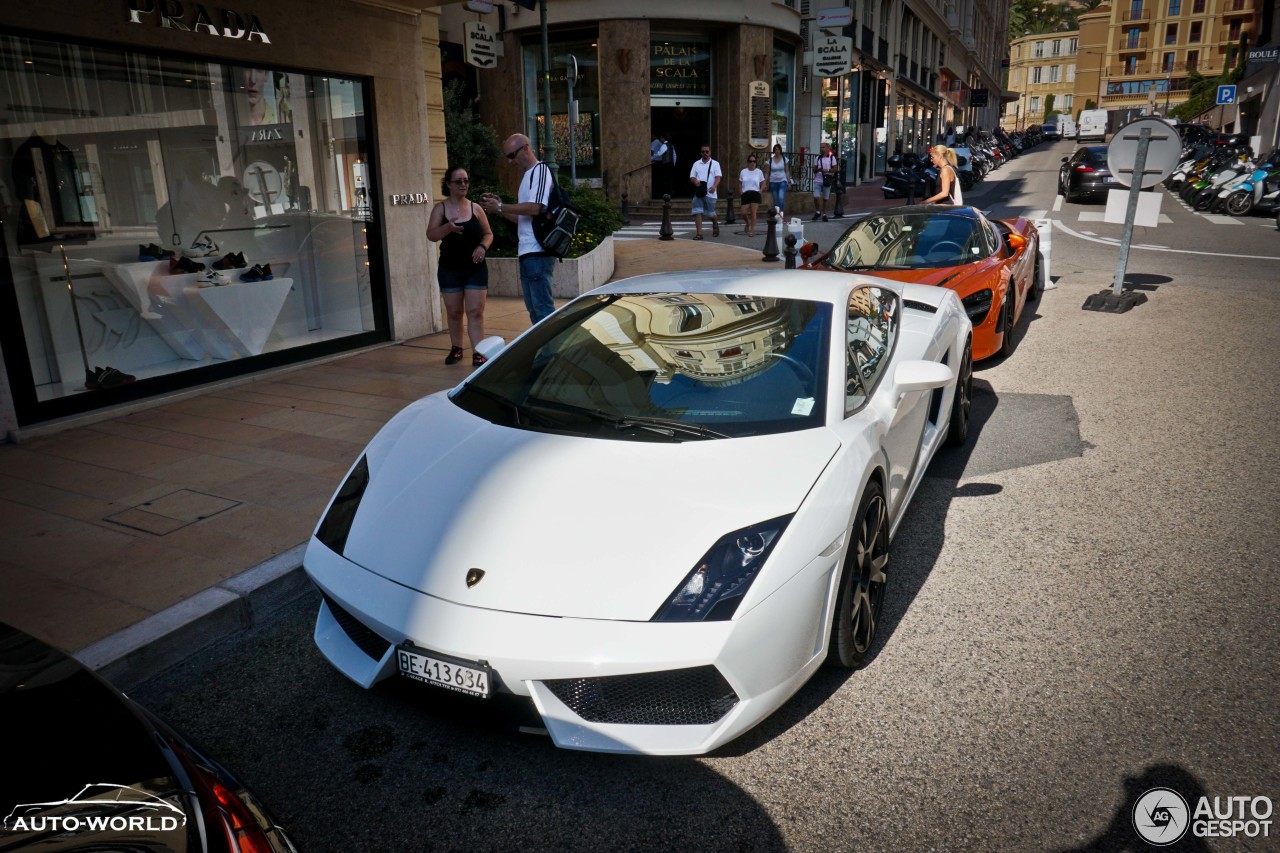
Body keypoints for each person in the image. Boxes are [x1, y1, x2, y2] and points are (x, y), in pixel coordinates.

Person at [480, 133, 555, 324]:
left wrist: (500, 207)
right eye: (507, 157)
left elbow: (536, 207)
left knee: (543, 312)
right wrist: (499, 208)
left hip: (537, 252)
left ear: (526, 148)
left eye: (512, 155)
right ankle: (544, 352)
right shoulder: (527, 177)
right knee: (535, 312)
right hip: (528, 254)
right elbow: (523, 218)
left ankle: (551, 354)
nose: (510, 161)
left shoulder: (540, 171)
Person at [428, 166, 493, 366]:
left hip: (475, 268)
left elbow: (488, 234)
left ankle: (478, 352)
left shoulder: (476, 208)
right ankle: (456, 348)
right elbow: (431, 235)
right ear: (448, 184)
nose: (463, 184)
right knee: (454, 312)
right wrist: (447, 227)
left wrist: (483, 246)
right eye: (459, 181)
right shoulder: (441, 209)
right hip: (450, 268)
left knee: (476, 311)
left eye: (466, 180)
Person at [689, 144, 721, 240]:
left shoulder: (715, 164)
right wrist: (695, 181)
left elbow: (718, 177)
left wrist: (714, 186)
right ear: (701, 153)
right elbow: (692, 177)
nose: (705, 153)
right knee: (697, 211)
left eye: (707, 151)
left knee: (710, 214)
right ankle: (699, 234)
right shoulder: (696, 164)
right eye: (703, 152)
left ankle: (715, 222)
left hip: (710, 193)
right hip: (699, 192)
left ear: (710, 152)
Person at [737, 155, 765, 237]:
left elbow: (763, 183)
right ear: (748, 162)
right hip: (746, 193)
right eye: (750, 161)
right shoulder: (743, 172)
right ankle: (747, 222)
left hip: (755, 193)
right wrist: (740, 191)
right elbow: (740, 182)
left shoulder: (759, 172)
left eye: (754, 161)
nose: (752, 163)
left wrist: (760, 191)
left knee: (753, 212)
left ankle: (752, 230)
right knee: (743, 212)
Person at [812, 142, 838, 221]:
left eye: (823, 147)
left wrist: (827, 170)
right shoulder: (818, 158)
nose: (821, 149)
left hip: (827, 179)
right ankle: (817, 211)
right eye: (821, 147)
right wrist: (818, 170)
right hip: (818, 179)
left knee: (825, 198)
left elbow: (835, 169)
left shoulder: (831, 158)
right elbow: (814, 170)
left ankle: (824, 214)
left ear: (827, 148)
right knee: (816, 197)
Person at [766, 143, 792, 217]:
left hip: (782, 180)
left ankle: (781, 213)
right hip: (773, 181)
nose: (777, 151)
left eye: (778, 149)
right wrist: (765, 183)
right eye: (775, 149)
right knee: (775, 200)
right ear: (774, 151)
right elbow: (767, 172)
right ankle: (776, 214)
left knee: (781, 197)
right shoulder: (770, 160)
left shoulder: (784, 159)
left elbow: (787, 171)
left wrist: (789, 182)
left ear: (780, 150)